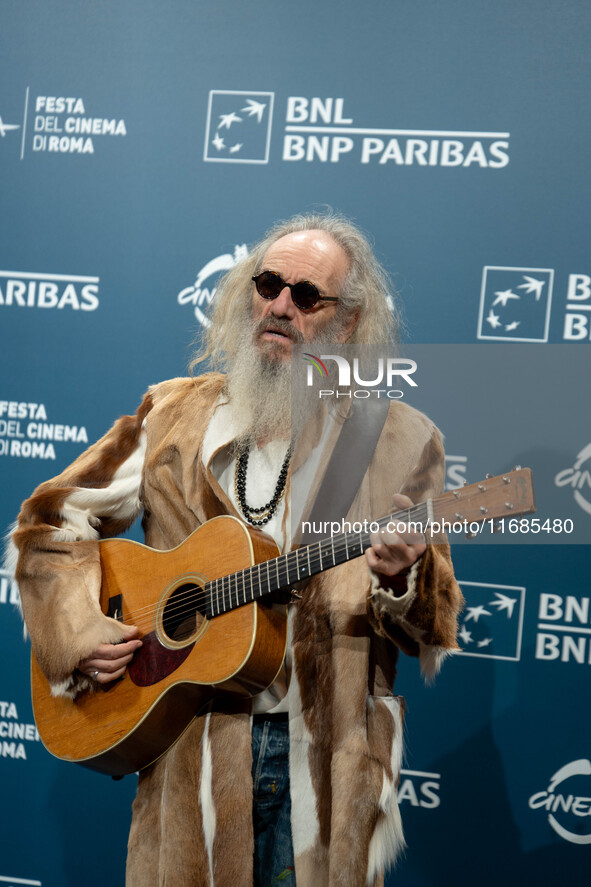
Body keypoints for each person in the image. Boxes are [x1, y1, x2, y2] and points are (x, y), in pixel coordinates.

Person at [11, 212, 463, 887]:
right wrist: (76, 629)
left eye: (306, 296)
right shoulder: (170, 414)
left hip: (325, 768)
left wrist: (405, 573)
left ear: (347, 322)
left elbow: (433, 622)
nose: (280, 306)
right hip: (187, 758)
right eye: (268, 284)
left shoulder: (399, 439)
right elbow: (50, 523)